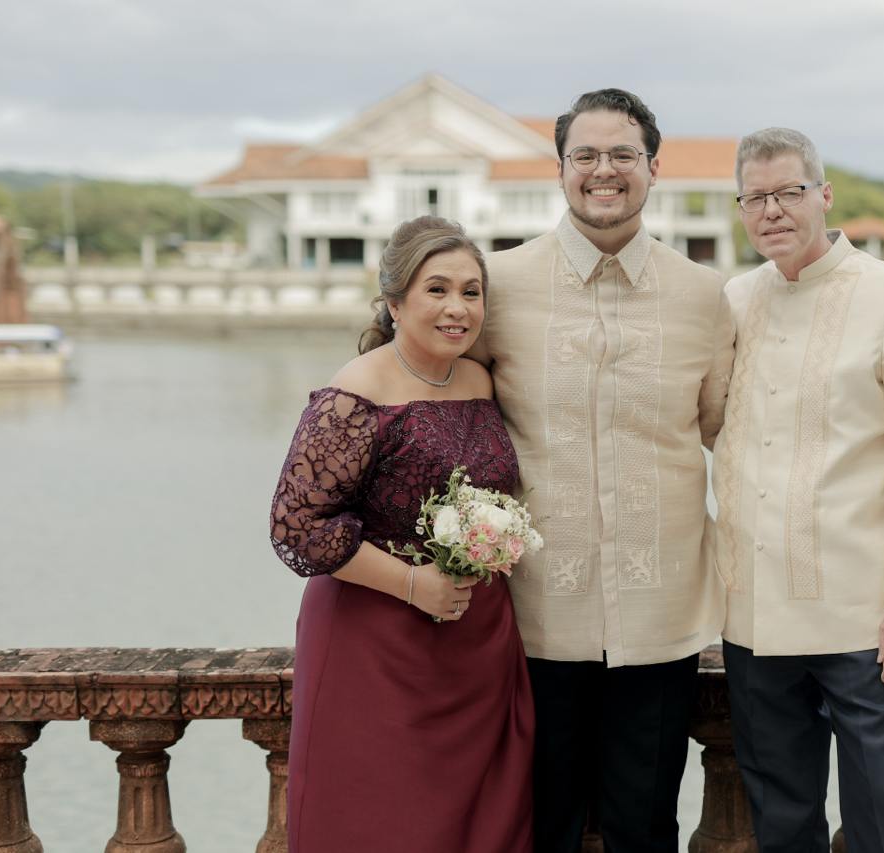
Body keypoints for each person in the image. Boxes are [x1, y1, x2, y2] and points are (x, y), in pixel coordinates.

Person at [469, 89, 734, 852]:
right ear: (560, 169)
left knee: (646, 829)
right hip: (533, 613)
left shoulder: (706, 295)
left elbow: (731, 439)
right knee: (540, 827)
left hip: (661, 616)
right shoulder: (497, 285)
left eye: (622, 154)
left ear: (653, 167)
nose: (603, 170)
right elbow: (445, 415)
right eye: (584, 155)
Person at [712, 128, 884, 852]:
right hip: (753, 613)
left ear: (824, 195)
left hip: (859, 617)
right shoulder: (735, 298)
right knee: (781, 818)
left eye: (789, 192)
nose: (772, 211)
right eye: (756, 197)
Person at [269, 216, 533, 853]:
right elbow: (297, 526)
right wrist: (414, 584)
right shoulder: (355, 392)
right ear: (394, 302)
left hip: (476, 644)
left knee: (482, 823)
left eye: (471, 292)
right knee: (382, 821)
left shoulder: (480, 382)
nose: (457, 308)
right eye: (436, 289)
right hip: (375, 643)